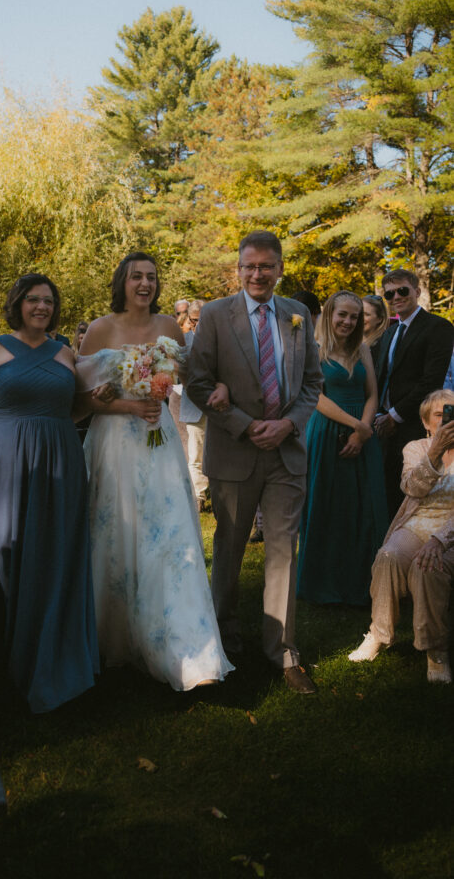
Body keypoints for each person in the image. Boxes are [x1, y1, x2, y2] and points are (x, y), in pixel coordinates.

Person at [0, 273, 99, 713]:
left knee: (51, 552)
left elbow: (76, 407)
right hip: (2, 461)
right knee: (5, 548)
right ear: (18, 304)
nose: (41, 307)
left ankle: (46, 645)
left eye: (48, 301)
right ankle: (4, 639)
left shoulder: (66, 353)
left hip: (59, 461)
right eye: (33, 300)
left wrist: (95, 398)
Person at [77, 253, 233, 691]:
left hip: (158, 440)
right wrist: (122, 401)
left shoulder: (169, 327)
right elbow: (82, 396)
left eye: (151, 277)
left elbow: (195, 374)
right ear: (121, 282)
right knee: (113, 534)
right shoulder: (99, 328)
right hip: (113, 442)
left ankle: (182, 645)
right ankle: (114, 641)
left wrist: (215, 386)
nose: (144, 284)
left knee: (167, 535)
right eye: (136, 277)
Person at [187, 230, 324, 694]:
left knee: (284, 550)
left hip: (286, 453)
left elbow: (311, 384)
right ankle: (225, 640)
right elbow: (198, 383)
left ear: (280, 268)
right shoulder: (214, 315)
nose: (258, 274)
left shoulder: (298, 315)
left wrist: (288, 426)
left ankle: (283, 652)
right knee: (229, 550)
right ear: (238, 269)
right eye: (249, 266)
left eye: (266, 266)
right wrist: (246, 424)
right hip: (236, 451)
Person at [349, 389, 454, 683]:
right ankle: (379, 634)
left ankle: (435, 650)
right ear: (427, 423)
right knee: (389, 556)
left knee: (428, 568)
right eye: (440, 415)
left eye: (452, 413)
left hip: (450, 532)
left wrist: (439, 540)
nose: (447, 420)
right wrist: (435, 453)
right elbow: (413, 488)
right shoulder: (416, 448)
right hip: (418, 523)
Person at [297, 291, 390, 605]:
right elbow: (315, 396)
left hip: (362, 434)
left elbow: (372, 394)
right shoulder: (313, 348)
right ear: (329, 315)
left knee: (362, 507)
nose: (348, 321)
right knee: (327, 504)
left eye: (354, 316)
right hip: (326, 431)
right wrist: (356, 426)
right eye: (343, 315)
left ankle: (362, 583)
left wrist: (363, 432)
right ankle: (323, 583)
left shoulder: (362, 348)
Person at [374, 268, 454, 517]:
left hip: (415, 424)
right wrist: (380, 414)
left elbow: (431, 380)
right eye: (389, 294)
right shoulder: (389, 332)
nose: (395, 297)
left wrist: (395, 416)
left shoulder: (438, 327)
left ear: (417, 291)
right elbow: (382, 378)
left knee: (414, 498)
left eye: (402, 290)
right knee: (388, 492)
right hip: (384, 425)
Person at [180, 299, 209, 510]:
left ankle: (213, 492)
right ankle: (199, 496)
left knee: (215, 453)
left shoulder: (220, 339)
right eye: (194, 321)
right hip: (192, 404)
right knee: (194, 454)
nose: (197, 325)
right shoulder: (182, 341)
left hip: (217, 404)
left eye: (201, 320)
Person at [361, 293, 390, 370]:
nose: (360, 318)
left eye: (366, 314)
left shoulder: (383, 346)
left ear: (379, 319)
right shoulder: (349, 340)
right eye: (359, 313)